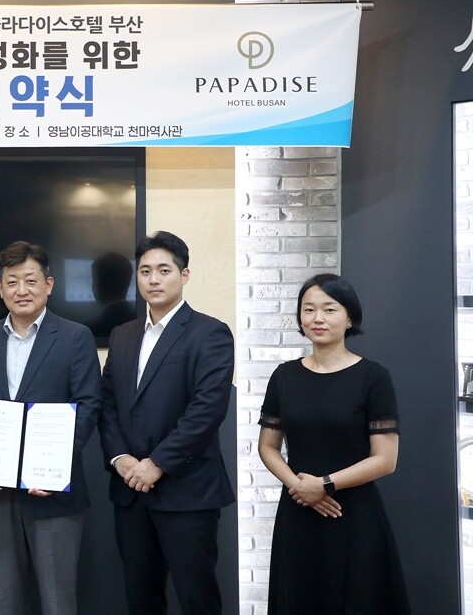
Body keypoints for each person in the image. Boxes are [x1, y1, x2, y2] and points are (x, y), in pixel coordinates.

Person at [98, 231, 235, 615]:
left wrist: (157, 464)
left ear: (184, 275)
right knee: (141, 598)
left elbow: (207, 410)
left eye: (164, 270)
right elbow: (107, 402)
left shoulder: (210, 332)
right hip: (130, 490)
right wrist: (120, 458)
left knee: (197, 598)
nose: (153, 279)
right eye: (145, 271)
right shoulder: (123, 335)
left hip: (186, 491)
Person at [257, 273, 410, 614]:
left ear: (349, 317)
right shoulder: (284, 376)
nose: (318, 318)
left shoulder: (373, 377)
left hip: (353, 513)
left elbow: (385, 458)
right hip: (298, 510)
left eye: (329, 309)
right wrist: (299, 487)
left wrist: (324, 485)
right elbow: (267, 446)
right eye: (309, 309)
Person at [0, 240, 101, 615]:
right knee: (7, 598)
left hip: (53, 491)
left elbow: (88, 404)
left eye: (30, 280)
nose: (21, 290)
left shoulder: (75, 337)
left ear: (49, 284)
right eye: (12, 282)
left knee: (57, 601)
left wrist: (53, 467)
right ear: (0, 288)